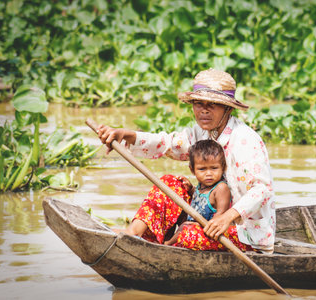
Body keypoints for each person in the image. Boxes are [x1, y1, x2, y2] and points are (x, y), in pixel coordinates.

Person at [98, 68, 276, 253]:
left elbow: (261, 190)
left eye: (212, 104)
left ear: (228, 108)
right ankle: (134, 234)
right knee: (169, 183)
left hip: (244, 233)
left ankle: (162, 247)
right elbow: (169, 144)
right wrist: (126, 134)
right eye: (198, 104)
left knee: (187, 234)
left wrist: (227, 218)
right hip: (208, 218)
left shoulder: (245, 140)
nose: (204, 110)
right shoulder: (201, 132)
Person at [164, 139, 231, 247]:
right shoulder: (201, 186)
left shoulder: (221, 189)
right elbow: (201, 199)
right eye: (202, 169)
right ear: (192, 170)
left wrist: (202, 226)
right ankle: (168, 241)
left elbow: (221, 216)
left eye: (214, 168)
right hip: (193, 226)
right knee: (182, 222)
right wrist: (191, 189)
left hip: (211, 232)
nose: (209, 174)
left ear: (223, 168)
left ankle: (168, 244)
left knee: (185, 228)